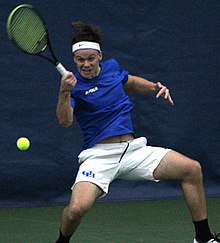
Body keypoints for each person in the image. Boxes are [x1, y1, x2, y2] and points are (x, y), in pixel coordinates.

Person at [55, 21, 219, 243]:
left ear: (100, 56)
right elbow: (65, 121)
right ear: (74, 60)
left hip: (134, 151)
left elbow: (130, 82)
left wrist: (154, 87)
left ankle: (203, 238)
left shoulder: (112, 68)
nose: (86, 64)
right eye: (80, 60)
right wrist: (65, 93)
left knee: (191, 169)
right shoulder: (74, 87)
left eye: (90, 58)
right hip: (99, 157)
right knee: (76, 210)